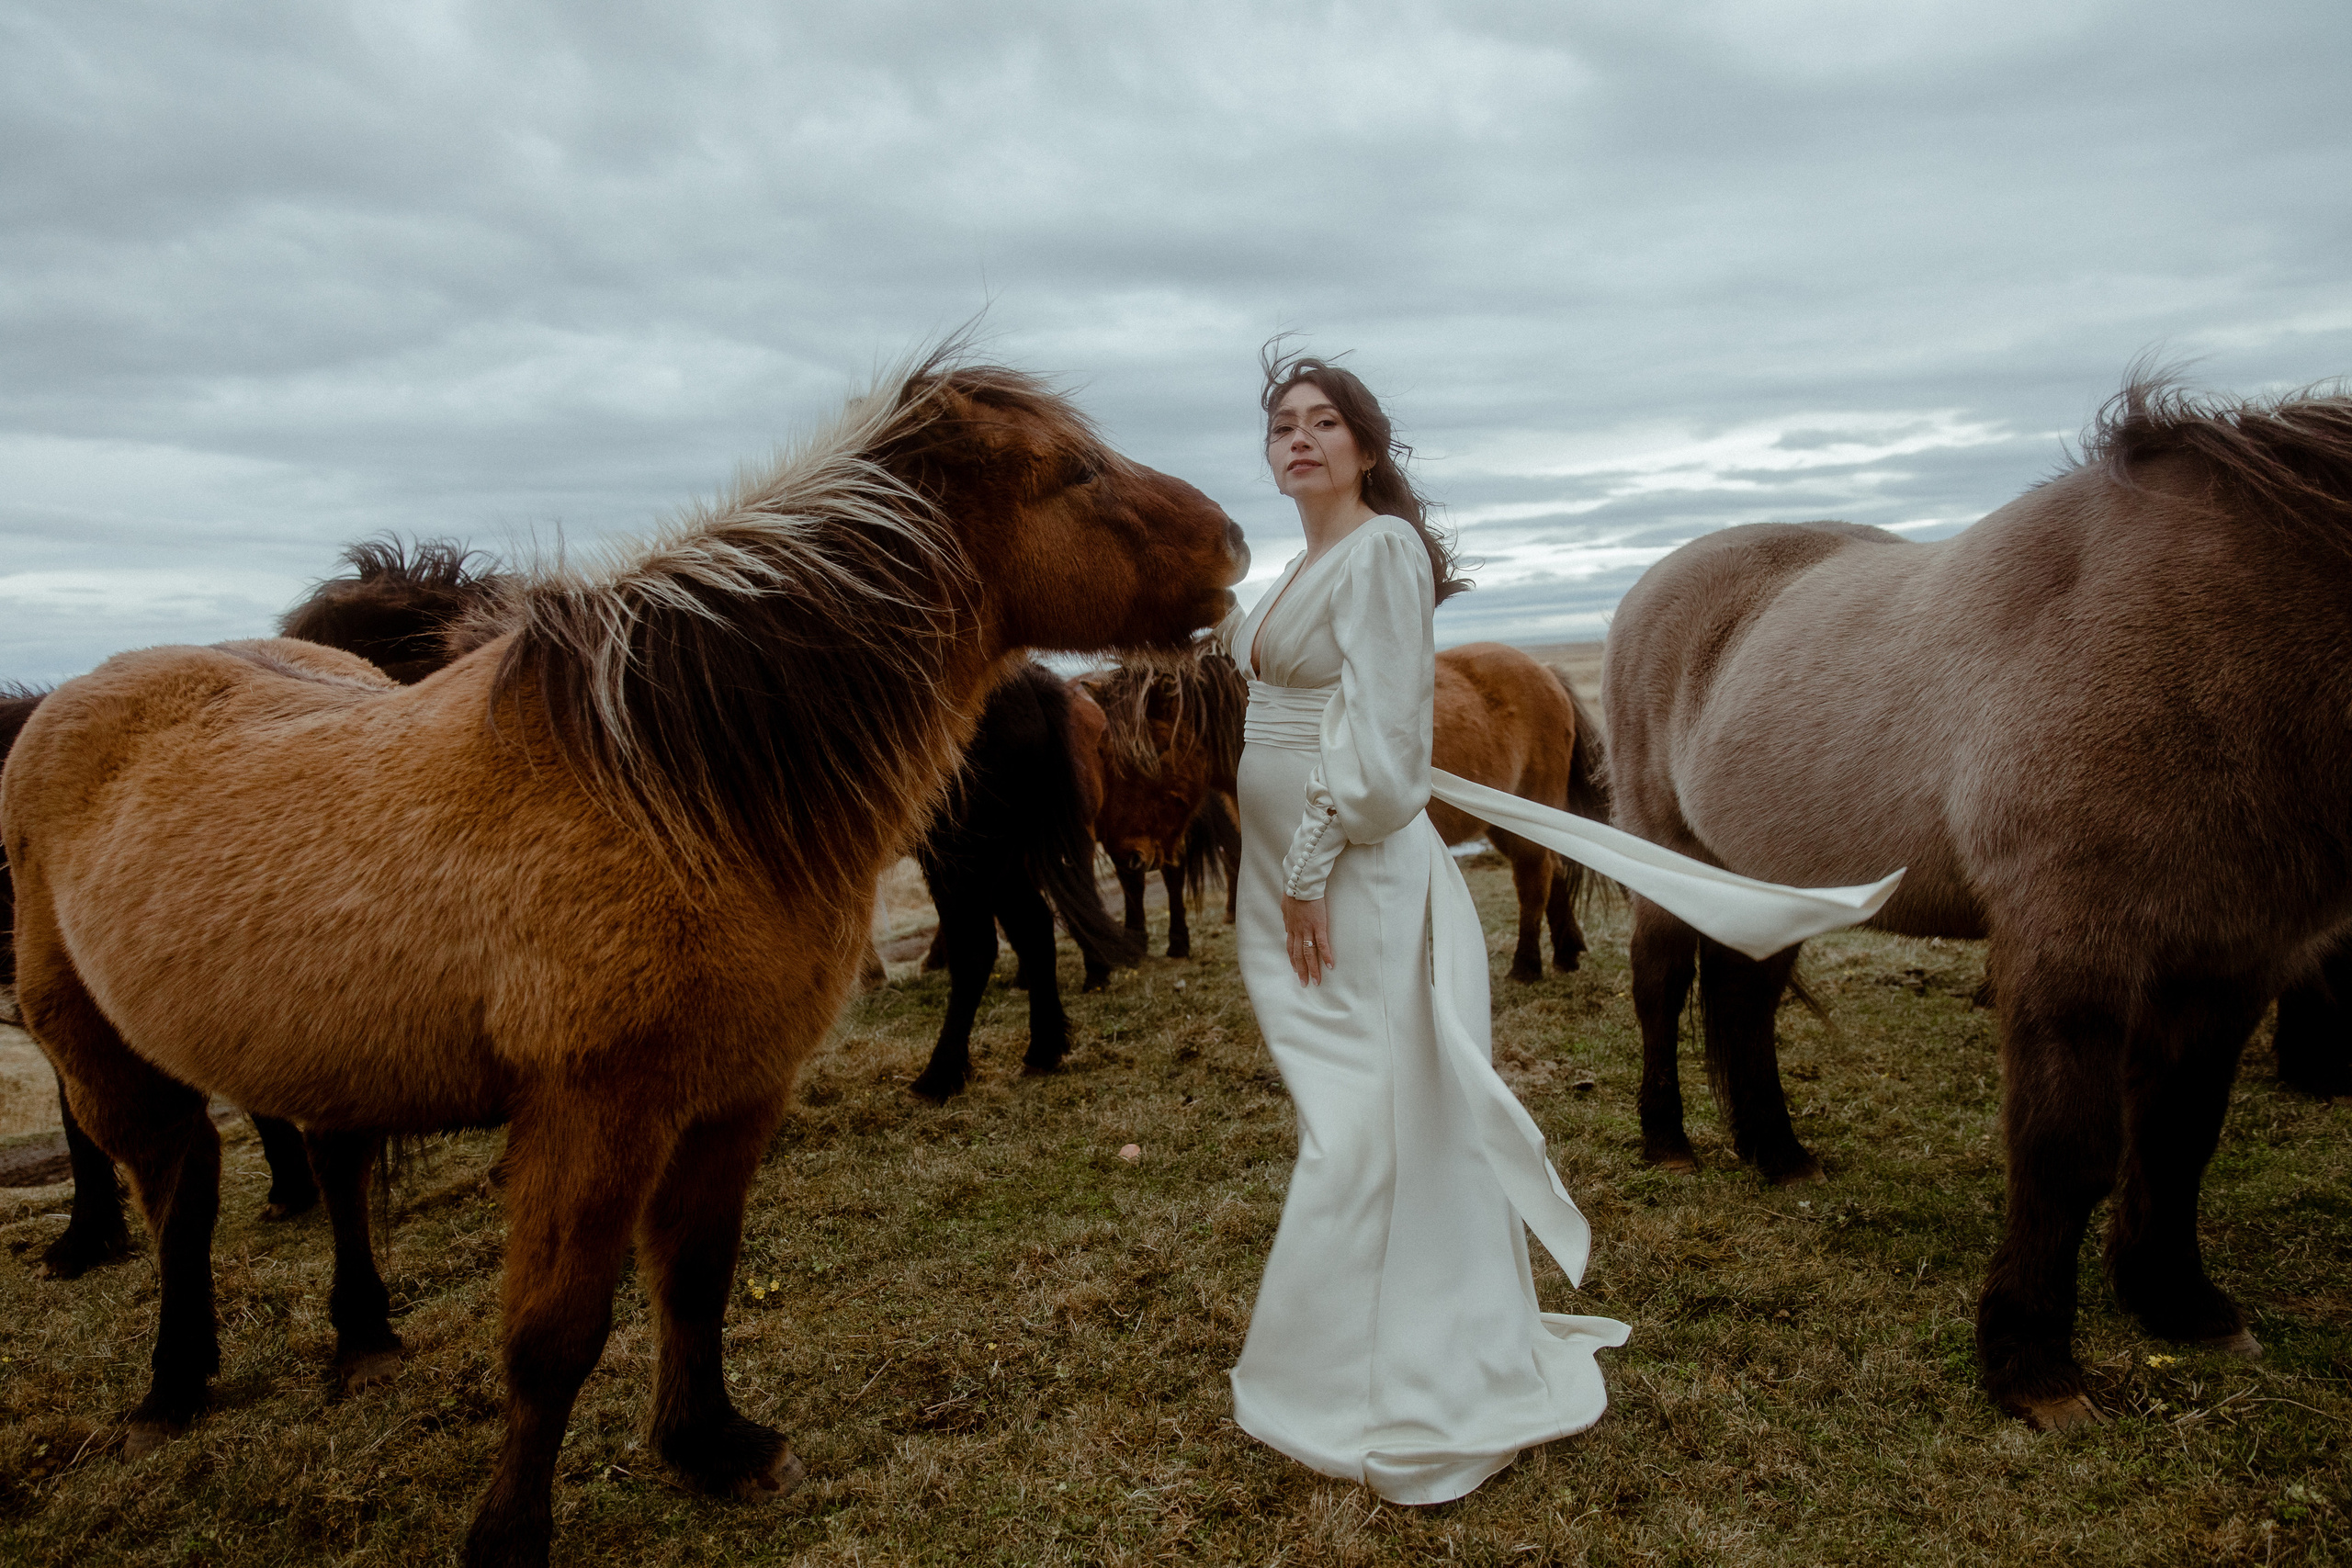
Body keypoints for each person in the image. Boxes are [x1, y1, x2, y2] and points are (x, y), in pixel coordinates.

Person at [1217, 349, 1630, 1504]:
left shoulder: (1383, 552)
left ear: (1366, 445)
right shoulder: (1298, 569)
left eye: (1323, 422)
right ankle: (1353, 1352)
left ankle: (1390, 1376)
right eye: (1281, 426)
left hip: (1345, 874)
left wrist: (1304, 867)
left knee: (1363, 1122)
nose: (1297, 439)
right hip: (1281, 877)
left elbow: (1391, 760)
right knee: (1346, 1111)